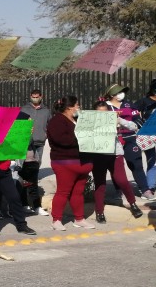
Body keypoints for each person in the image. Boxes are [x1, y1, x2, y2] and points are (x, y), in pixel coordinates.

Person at [45, 96, 94, 231]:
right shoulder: (57, 121)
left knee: (78, 192)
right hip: (64, 162)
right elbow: (61, 140)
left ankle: (79, 219)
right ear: (69, 107)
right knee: (63, 191)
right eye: (77, 105)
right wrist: (82, 137)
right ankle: (56, 220)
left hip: (83, 162)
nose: (79, 107)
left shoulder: (79, 120)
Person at [90, 101, 143, 223]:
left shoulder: (115, 118)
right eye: (100, 113)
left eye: (105, 112)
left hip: (115, 154)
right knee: (100, 184)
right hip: (98, 155)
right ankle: (99, 212)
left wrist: (119, 121)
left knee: (122, 181)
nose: (103, 115)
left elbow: (133, 126)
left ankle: (133, 204)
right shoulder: (91, 121)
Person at [103, 83, 154, 201]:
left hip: (131, 138)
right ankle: (118, 191)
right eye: (119, 92)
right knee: (116, 167)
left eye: (123, 91)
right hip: (113, 140)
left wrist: (135, 125)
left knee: (136, 164)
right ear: (112, 95)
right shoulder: (105, 106)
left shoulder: (129, 105)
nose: (122, 94)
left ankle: (145, 189)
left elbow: (138, 120)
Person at [0, 140, 37, 237]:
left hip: (5, 169)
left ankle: (21, 225)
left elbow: (16, 148)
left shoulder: (6, 132)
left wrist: (25, 136)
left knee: (14, 197)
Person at [19, 88, 51, 215]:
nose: (35, 98)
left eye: (37, 96)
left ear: (41, 96)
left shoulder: (46, 111)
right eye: (33, 96)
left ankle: (33, 196)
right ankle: (24, 202)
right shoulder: (24, 109)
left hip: (40, 142)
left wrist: (45, 135)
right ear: (30, 96)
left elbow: (49, 124)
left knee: (35, 168)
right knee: (22, 170)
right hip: (26, 144)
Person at [134, 78, 156, 194]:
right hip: (148, 135)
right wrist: (137, 119)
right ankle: (150, 186)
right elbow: (132, 111)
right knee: (153, 161)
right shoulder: (144, 101)